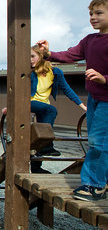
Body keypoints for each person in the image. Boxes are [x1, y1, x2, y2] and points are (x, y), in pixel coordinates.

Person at [37, 0, 108, 201]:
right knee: (98, 140)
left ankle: (94, 185)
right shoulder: (90, 40)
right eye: (90, 14)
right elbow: (70, 55)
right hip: (95, 98)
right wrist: (47, 53)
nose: (93, 17)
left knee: (98, 142)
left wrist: (104, 79)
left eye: (99, 13)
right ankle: (101, 181)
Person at [29, 44, 86, 174]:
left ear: (42, 56)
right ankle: (47, 146)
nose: (30, 60)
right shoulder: (28, 72)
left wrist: (83, 106)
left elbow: (67, 90)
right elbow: (17, 89)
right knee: (51, 111)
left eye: (32, 56)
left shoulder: (55, 73)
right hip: (29, 102)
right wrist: (9, 107)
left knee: (39, 133)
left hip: (44, 105)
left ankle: (36, 168)